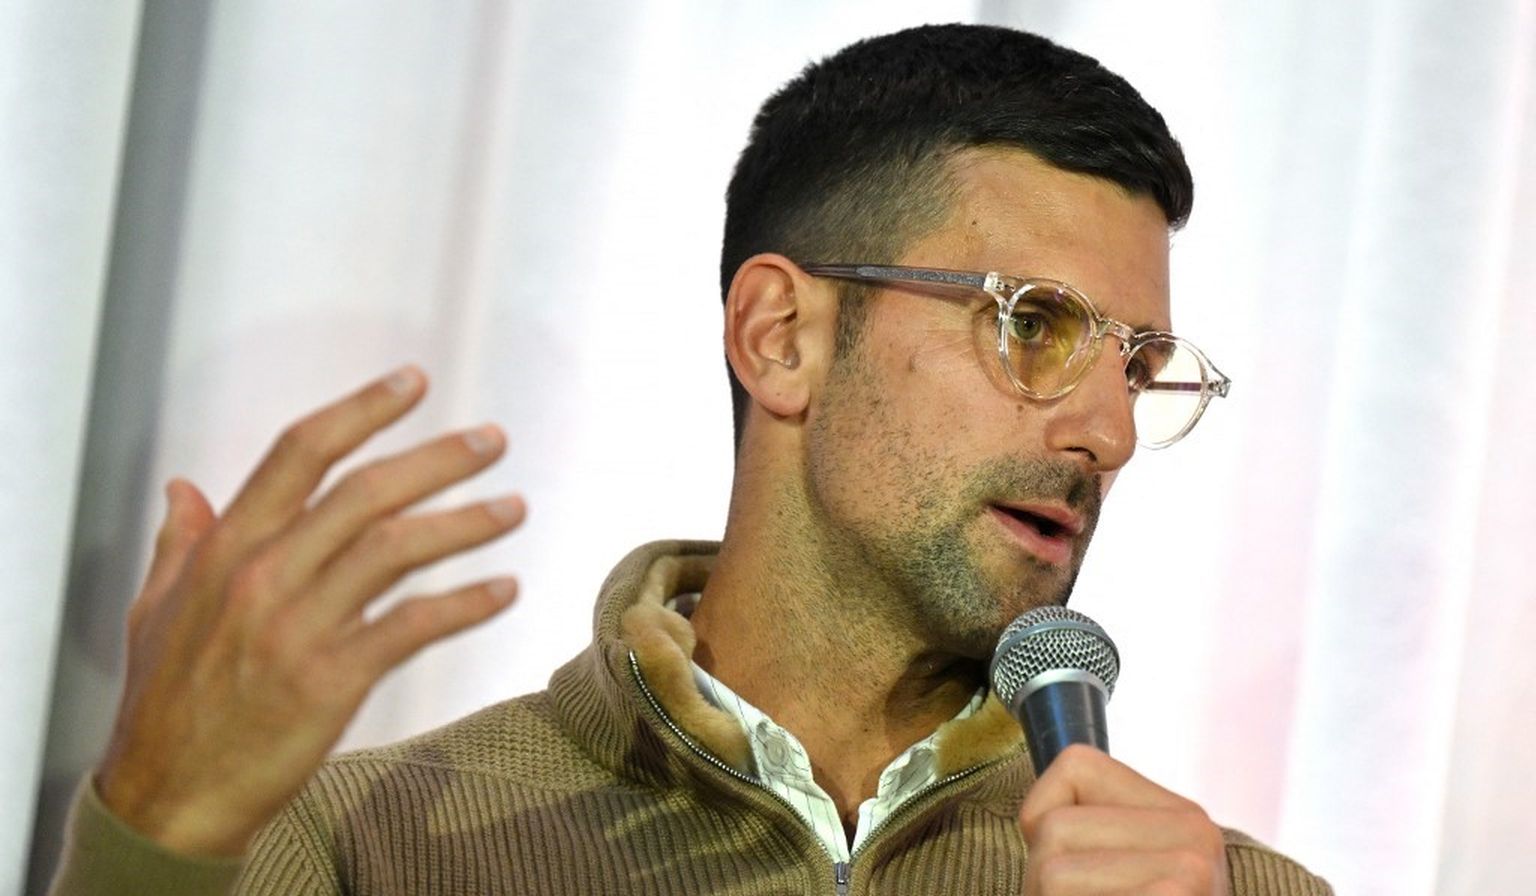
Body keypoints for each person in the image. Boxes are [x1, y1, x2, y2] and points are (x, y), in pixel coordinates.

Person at [48, 23, 1330, 895]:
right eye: (1035, 325)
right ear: (781, 337)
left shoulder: (1228, 890)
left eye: (1136, 365)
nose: (1108, 434)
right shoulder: (368, 845)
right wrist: (151, 843)